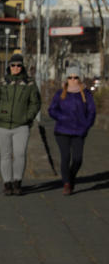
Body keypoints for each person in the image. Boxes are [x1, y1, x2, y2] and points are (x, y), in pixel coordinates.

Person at [0, 53, 41, 196]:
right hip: (1, 125)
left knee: (20, 154)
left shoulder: (30, 84)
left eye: (19, 65)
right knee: (6, 155)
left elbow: (36, 103)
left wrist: (28, 117)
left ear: (22, 67)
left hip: (21, 126)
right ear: (9, 67)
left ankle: (17, 182)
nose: (16, 68)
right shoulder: (2, 83)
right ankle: (7, 184)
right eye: (13, 65)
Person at [48, 65, 97, 195]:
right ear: (67, 79)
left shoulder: (86, 94)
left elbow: (92, 111)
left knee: (77, 159)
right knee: (65, 157)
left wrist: (86, 124)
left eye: (75, 77)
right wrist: (62, 117)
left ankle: (70, 177)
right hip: (62, 131)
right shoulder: (60, 93)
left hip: (79, 131)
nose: (73, 80)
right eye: (70, 77)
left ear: (79, 79)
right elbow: (52, 110)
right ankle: (67, 184)